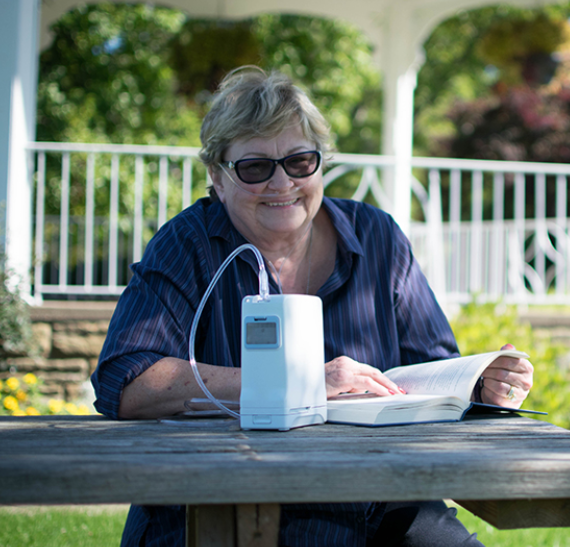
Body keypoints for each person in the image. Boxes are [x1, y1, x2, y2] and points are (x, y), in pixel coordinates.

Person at [91, 66, 534, 547]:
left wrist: (481, 386)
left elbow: (434, 366)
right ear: (217, 178)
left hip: (382, 500)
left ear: (321, 164)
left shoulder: (376, 235)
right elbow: (126, 381)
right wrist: (300, 383)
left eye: (300, 161)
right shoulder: (189, 243)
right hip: (222, 504)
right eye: (255, 167)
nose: (282, 183)